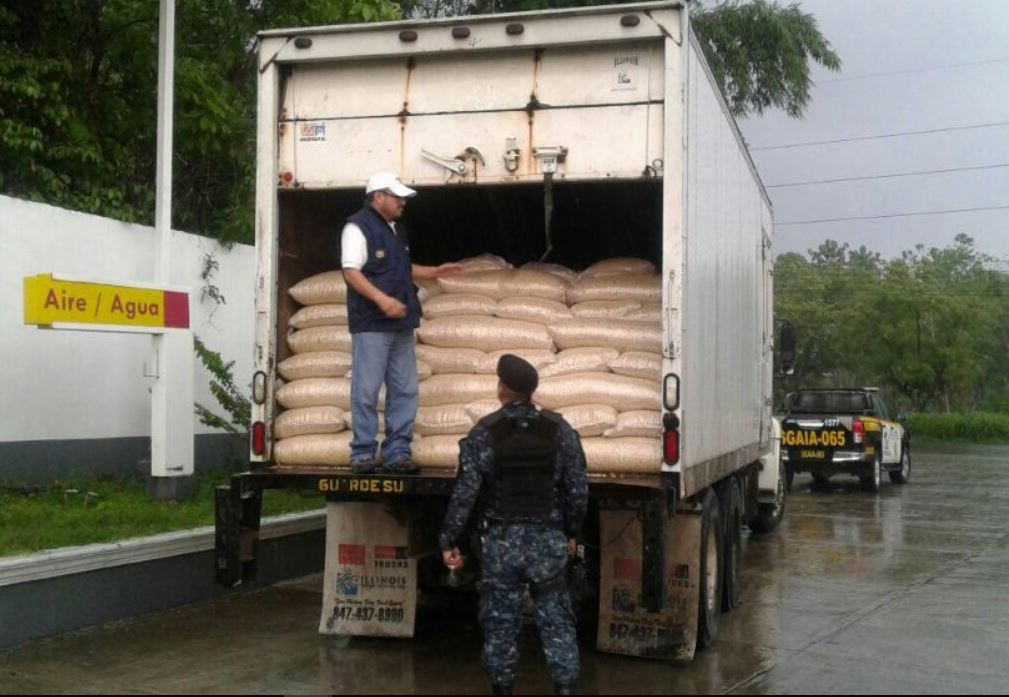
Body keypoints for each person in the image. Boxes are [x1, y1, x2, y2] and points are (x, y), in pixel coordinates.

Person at [439, 354, 589, 696]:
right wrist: (572, 534)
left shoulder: (485, 432)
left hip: (499, 546)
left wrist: (450, 540)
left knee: (500, 626)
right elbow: (578, 490)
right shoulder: (560, 430)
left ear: (502, 388)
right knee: (557, 622)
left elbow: (466, 493)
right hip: (548, 544)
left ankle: (502, 689)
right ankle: (565, 689)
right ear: (531, 391)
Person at [340, 172, 461, 475]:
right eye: (397, 197)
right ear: (377, 197)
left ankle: (397, 452)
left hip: (401, 322)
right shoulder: (357, 227)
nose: (403, 202)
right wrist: (382, 300)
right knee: (367, 389)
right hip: (372, 323)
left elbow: (401, 268)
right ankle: (363, 453)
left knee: (405, 388)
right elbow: (351, 272)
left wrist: (434, 272)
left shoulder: (397, 229)